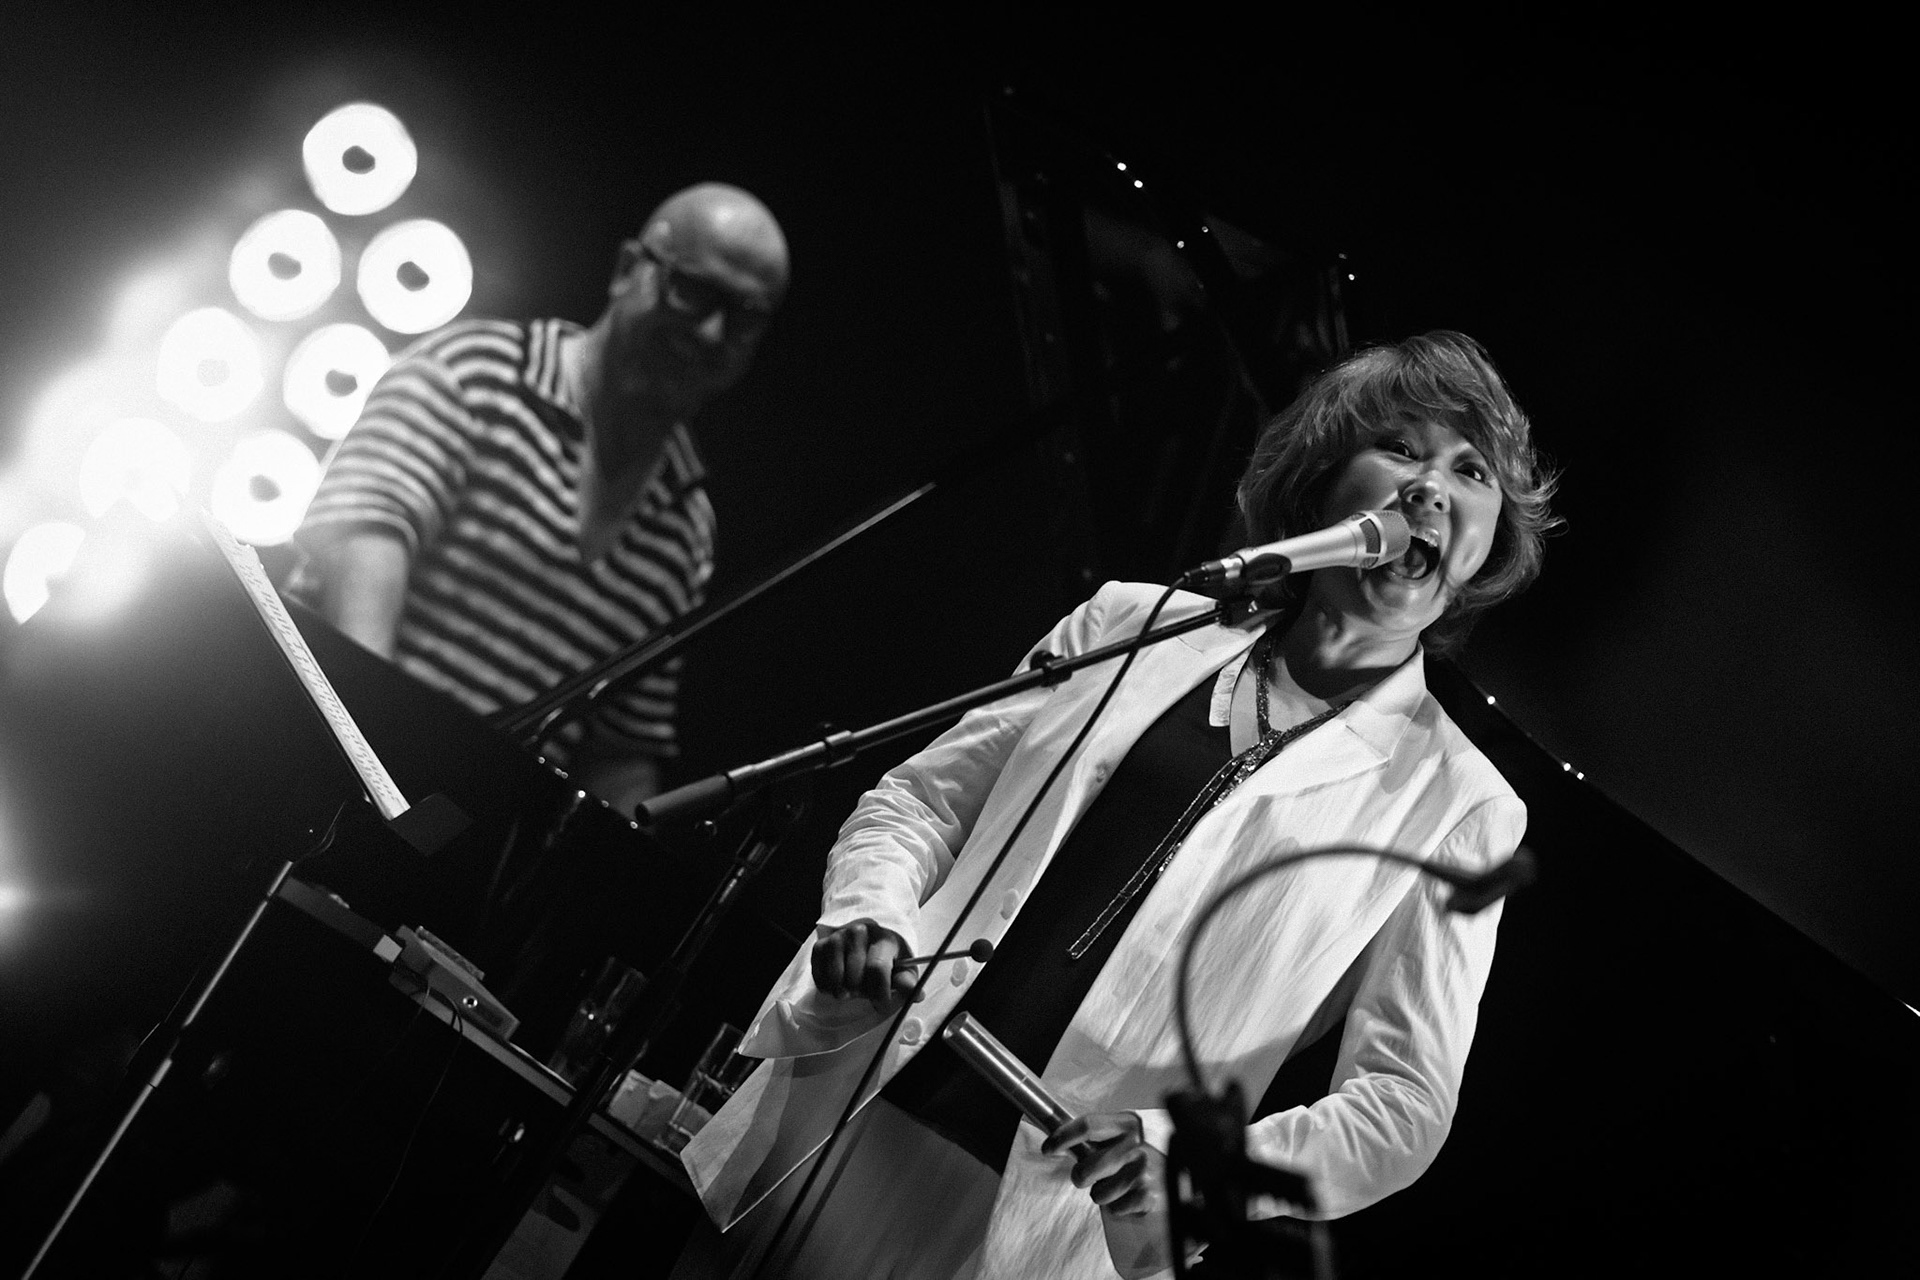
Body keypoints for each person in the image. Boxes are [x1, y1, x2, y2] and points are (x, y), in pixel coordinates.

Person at [671, 331, 1559, 1279]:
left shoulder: (1459, 807)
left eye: (1471, 472)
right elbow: (921, 804)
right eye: (1402, 449)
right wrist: (868, 911)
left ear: (1487, 541)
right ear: (1327, 480)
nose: (1430, 487)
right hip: (849, 1096)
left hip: (1051, 1231)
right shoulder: (1135, 624)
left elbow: (1402, 1103)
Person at [289, 182, 789, 810]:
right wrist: (381, 791)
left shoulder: (686, 525)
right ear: (628, 270)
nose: (712, 332)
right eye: (694, 292)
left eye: (743, 318)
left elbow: (617, 752)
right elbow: (356, 584)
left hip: (452, 859)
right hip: (312, 782)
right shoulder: (477, 372)